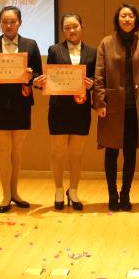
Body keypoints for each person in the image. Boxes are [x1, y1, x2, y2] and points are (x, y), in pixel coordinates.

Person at [93, 3, 139, 212]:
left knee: (130, 152)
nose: (127, 19)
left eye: (130, 16)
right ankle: (112, 194)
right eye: (123, 16)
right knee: (111, 151)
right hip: (112, 106)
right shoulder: (106, 43)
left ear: (136, 20)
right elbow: (99, 75)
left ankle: (126, 194)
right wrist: (99, 102)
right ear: (117, 19)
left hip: (135, 107)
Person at [33, 12, 96, 211]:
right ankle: (59, 189)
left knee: (77, 153)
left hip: (81, 108)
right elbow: (50, 77)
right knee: (57, 151)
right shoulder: (54, 50)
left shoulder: (92, 52)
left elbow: (97, 78)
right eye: (67, 27)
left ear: (82, 27)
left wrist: (92, 83)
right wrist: (41, 82)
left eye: (75, 26)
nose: (71, 30)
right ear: (62, 30)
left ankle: (74, 190)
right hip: (59, 107)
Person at [0, 5, 43, 213]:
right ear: (0, 23)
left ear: (20, 23)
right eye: (5, 22)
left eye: (12, 22)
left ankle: (15, 192)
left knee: (16, 150)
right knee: (2, 149)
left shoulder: (30, 44)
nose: (8, 25)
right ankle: (5, 195)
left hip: (21, 102)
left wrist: (32, 75)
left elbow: (39, 75)